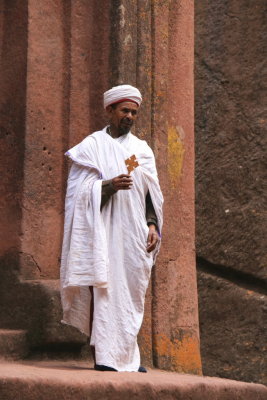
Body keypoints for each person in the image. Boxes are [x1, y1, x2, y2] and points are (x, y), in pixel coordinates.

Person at [60, 84, 163, 372]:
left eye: (134, 112)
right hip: (102, 230)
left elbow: (150, 194)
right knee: (104, 288)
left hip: (133, 232)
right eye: (125, 110)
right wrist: (107, 186)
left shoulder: (141, 150)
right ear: (110, 110)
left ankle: (127, 356)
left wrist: (152, 225)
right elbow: (78, 192)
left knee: (132, 290)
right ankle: (105, 357)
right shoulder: (92, 146)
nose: (130, 116)